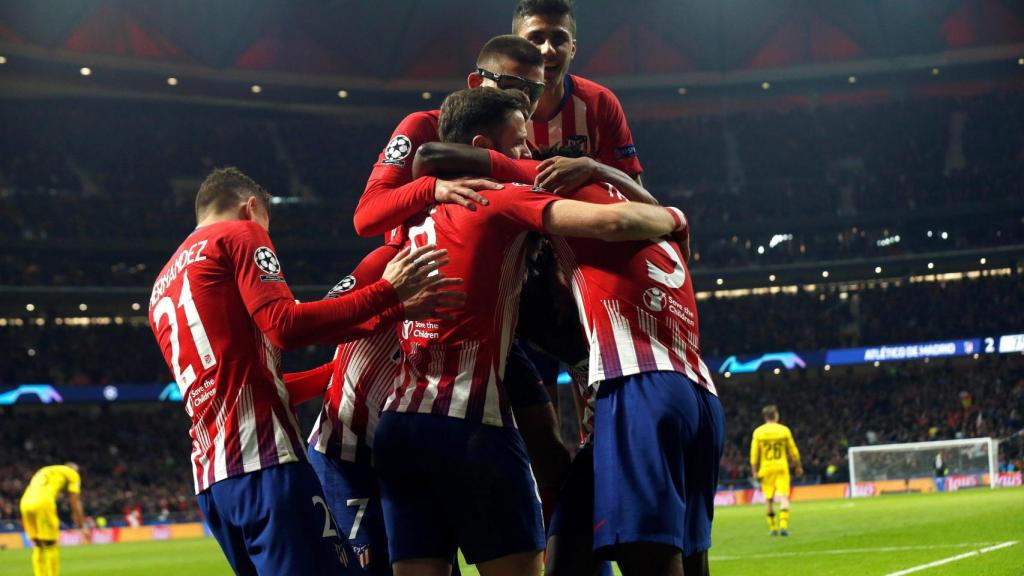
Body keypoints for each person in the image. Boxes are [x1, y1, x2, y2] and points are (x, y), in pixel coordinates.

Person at [374, 87, 689, 576]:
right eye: (519, 143)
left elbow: (377, 204)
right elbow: (612, 222)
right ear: (484, 145)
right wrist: (672, 216)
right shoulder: (499, 198)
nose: (528, 154)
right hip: (469, 422)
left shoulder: (408, 214)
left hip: (397, 426)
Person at [148, 167, 460, 575]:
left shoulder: (161, 285)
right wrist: (388, 293)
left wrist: (338, 368)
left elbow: (243, 385)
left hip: (214, 484)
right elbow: (284, 326)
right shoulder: (240, 233)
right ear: (252, 207)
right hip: (264, 464)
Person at [512, 0, 644, 189]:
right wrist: (451, 186)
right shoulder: (491, 105)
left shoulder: (600, 103)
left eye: (558, 39)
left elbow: (634, 191)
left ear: (572, 49)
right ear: (516, 47)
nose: (547, 49)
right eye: (536, 39)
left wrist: (595, 168)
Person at [19, 463, 87, 576]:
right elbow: (75, 502)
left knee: (38, 544)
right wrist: (81, 526)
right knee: (50, 544)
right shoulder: (72, 473)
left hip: (25, 502)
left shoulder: (46, 470)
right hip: (43, 503)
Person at [750, 405, 803, 536]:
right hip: (781, 467)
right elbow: (794, 452)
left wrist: (754, 471)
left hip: (766, 468)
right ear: (776, 415)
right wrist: (798, 466)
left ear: (765, 417)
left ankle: (773, 528)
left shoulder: (758, 432)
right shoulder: (784, 430)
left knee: (768, 498)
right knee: (784, 496)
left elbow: (754, 455)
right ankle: (783, 526)